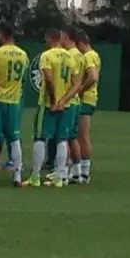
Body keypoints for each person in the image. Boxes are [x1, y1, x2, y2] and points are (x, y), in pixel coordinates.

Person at [0, 23, 30, 186]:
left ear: (1, 35)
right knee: (14, 137)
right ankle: (17, 177)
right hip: (15, 100)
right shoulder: (23, 54)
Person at [30, 29, 73, 188]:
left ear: (49, 38)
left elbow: (48, 79)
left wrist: (55, 100)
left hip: (48, 104)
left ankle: (35, 176)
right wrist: (64, 101)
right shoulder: (70, 57)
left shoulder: (46, 56)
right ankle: (60, 176)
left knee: (40, 137)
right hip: (66, 105)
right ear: (61, 38)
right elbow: (76, 83)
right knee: (62, 139)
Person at [61, 27, 87, 183]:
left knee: (63, 137)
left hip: (69, 100)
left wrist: (62, 99)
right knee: (72, 137)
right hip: (76, 100)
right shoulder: (80, 55)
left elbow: (72, 81)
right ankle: (77, 172)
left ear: (66, 37)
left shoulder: (70, 55)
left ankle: (63, 173)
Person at [74, 29, 101, 184]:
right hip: (90, 98)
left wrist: (80, 90)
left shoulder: (88, 56)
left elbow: (93, 77)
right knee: (81, 136)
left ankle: (83, 172)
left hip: (85, 99)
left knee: (81, 136)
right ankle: (82, 171)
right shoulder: (95, 54)